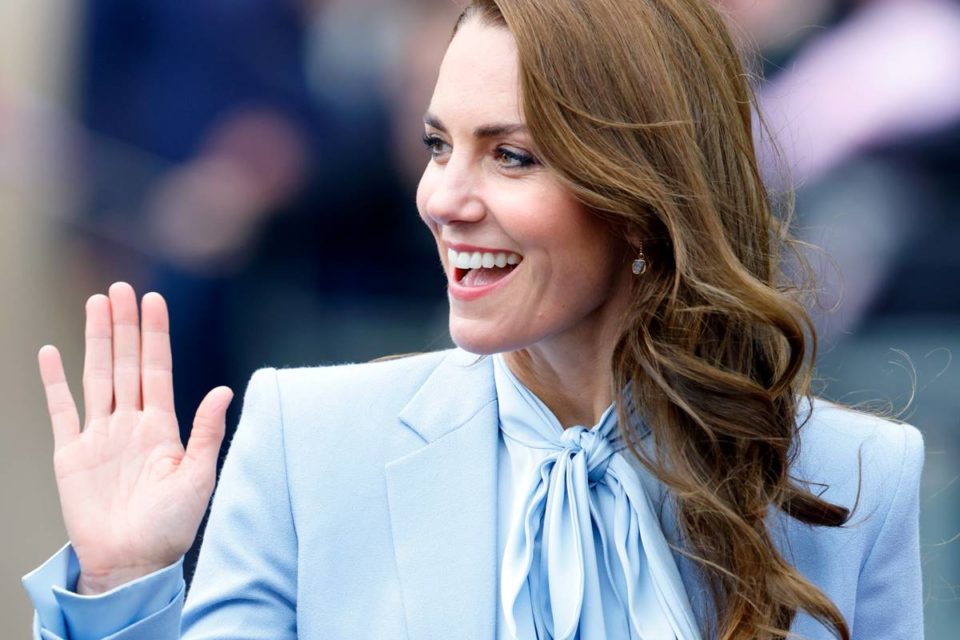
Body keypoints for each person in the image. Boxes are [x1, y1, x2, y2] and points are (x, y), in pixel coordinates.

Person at [22, 1, 924, 638]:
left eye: (512, 155)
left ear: (648, 195)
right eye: (437, 145)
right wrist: (121, 586)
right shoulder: (305, 440)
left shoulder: (856, 480)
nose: (441, 198)